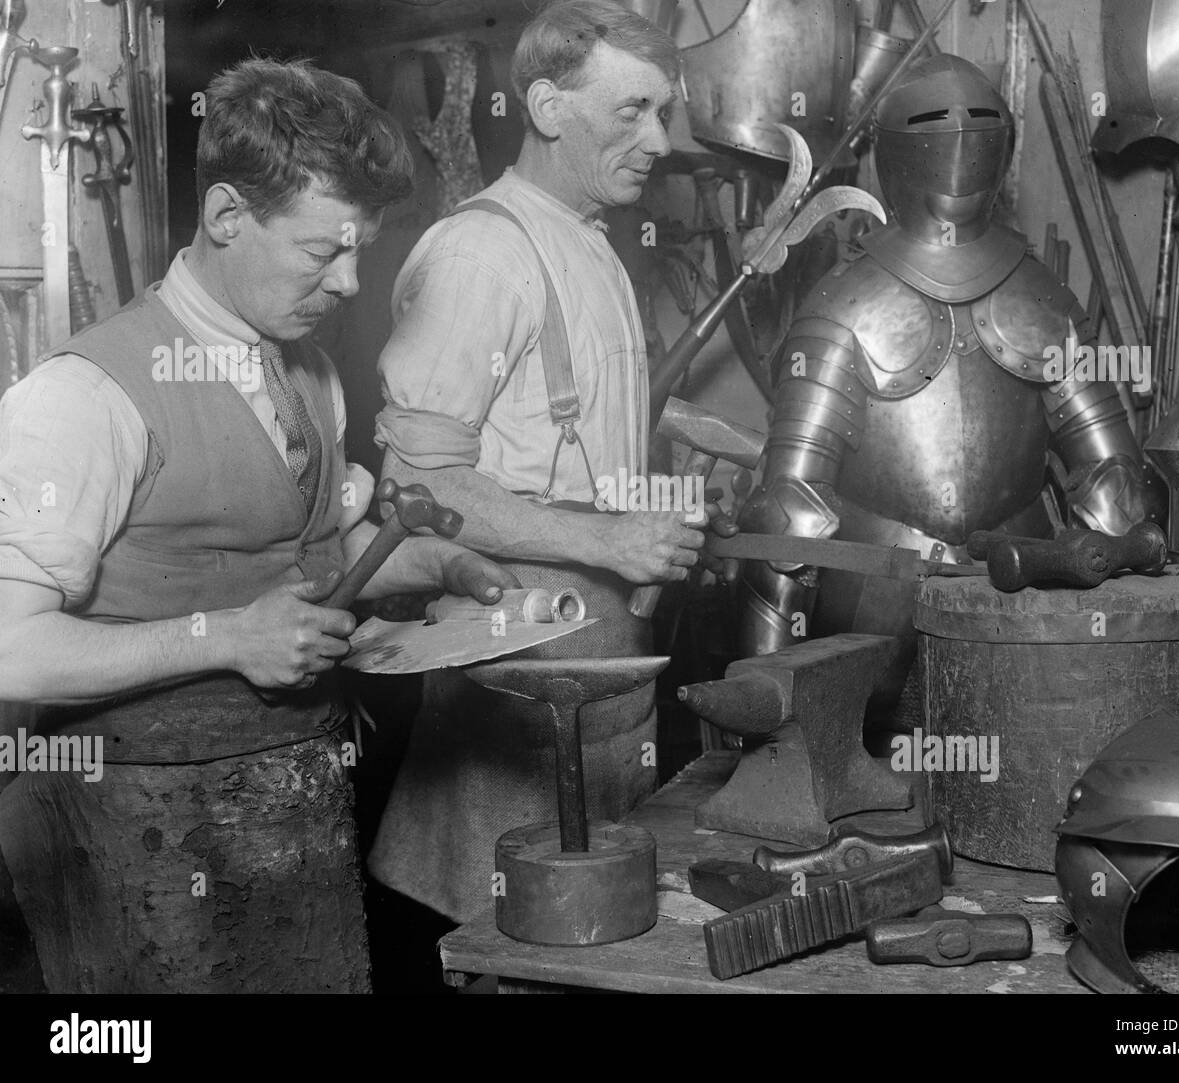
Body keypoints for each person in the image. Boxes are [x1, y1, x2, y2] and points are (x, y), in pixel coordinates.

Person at [0, 58, 516, 993]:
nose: (355, 282)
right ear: (229, 216)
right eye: (326, 252)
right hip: (133, 822)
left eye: (363, 249)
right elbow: (7, 648)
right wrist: (228, 639)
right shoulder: (84, 395)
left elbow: (306, 547)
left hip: (291, 803)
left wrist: (431, 564)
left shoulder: (306, 369)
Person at [368, 0, 699, 925]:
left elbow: (567, 425)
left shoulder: (589, 239)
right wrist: (611, 540)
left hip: (601, 662)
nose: (660, 139)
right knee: (504, 935)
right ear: (548, 108)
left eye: (663, 111)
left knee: (592, 936)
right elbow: (416, 490)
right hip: (514, 658)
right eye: (633, 110)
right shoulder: (484, 251)